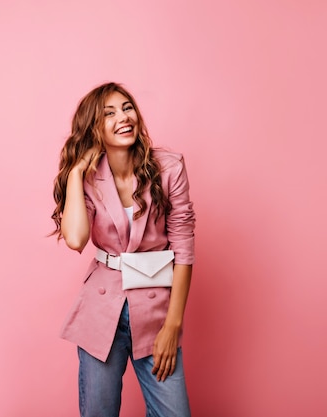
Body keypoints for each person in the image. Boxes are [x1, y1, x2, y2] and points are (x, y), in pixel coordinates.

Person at [51, 82, 195, 417]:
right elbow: (75, 239)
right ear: (94, 128)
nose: (123, 117)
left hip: (156, 310)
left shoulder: (170, 167)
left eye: (127, 107)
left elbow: (184, 247)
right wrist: (75, 172)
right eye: (109, 113)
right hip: (101, 312)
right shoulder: (87, 178)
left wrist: (173, 323)